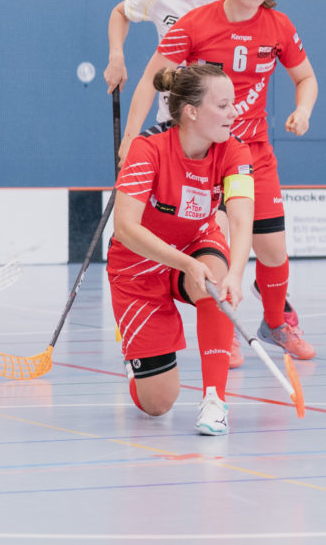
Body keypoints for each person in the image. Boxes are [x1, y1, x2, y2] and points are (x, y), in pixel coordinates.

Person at [119, 0, 318, 361]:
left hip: (255, 153)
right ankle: (224, 327)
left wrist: (303, 110)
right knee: (221, 244)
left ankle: (276, 324)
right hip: (208, 157)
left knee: (273, 251)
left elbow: (305, 77)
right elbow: (149, 79)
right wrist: (130, 137)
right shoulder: (195, 23)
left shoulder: (278, 25)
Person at [109, 65, 254, 435]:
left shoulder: (233, 151)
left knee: (215, 283)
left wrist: (235, 273)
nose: (234, 112)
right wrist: (186, 263)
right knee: (157, 404)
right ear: (191, 111)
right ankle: (137, 360)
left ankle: (215, 401)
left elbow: (240, 219)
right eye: (223, 105)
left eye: (233, 104)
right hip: (137, 267)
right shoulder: (148, 149)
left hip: (195, 242)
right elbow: (125, 228)